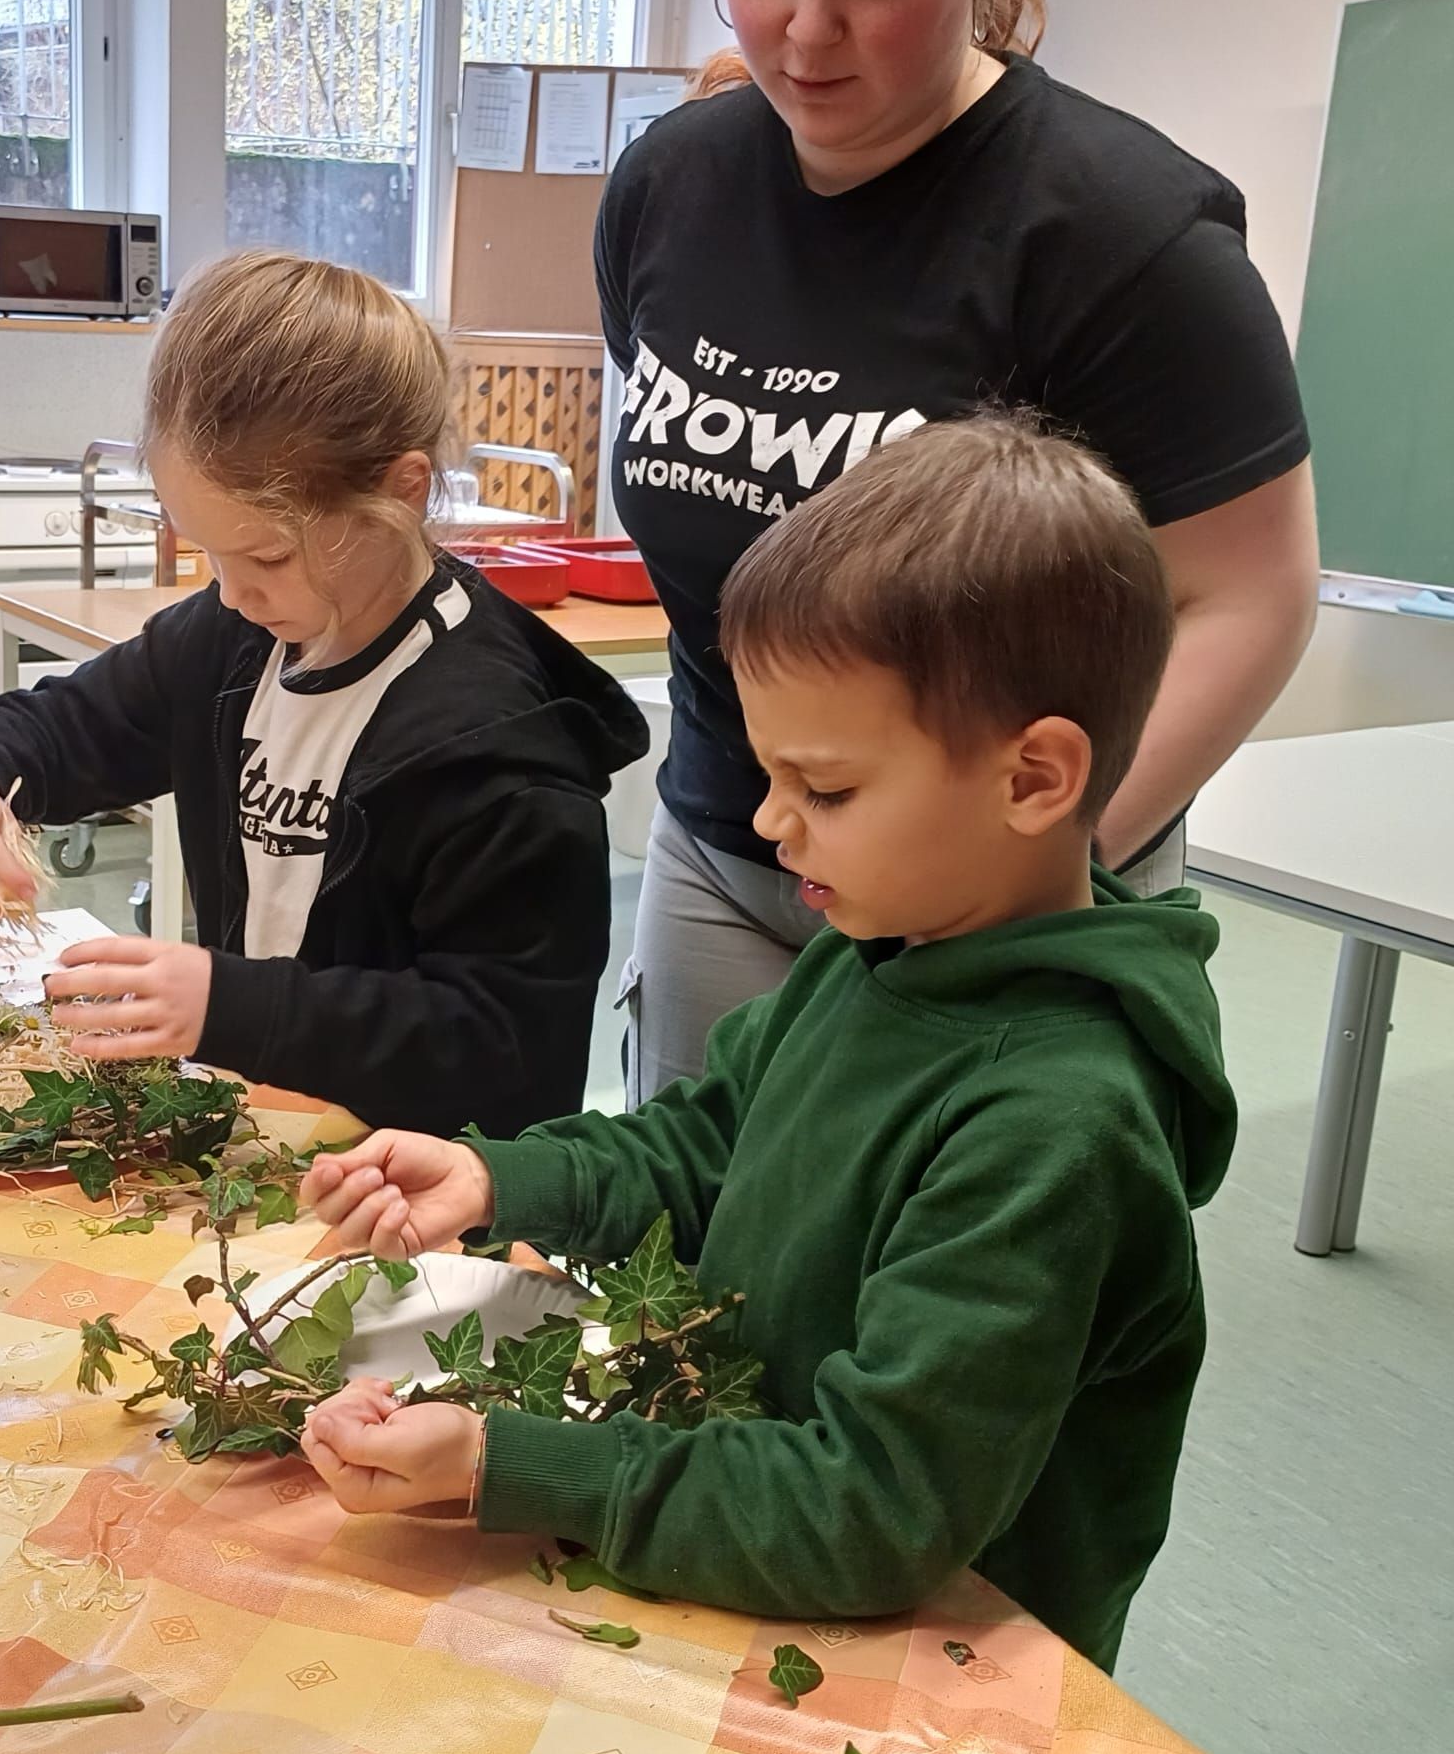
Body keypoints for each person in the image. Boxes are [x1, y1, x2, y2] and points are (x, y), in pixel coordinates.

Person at [297, 415, 1235, 1676]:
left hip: (933, 1659)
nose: (768, 819)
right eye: (767, 771)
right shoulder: (880, 949)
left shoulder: (1053, 1124)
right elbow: (707, 1144)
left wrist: (498, 1460)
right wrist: (500, 1180)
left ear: (1032, 778)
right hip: (747, 1517)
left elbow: (873, 1509)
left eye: (826, 788)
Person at [606, 0, 1315, 1105]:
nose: (808, 28)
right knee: (690, 1269)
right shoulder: (670, 186)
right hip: (729, 849)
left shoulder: (1130, 238)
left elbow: (1249, 602)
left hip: (993, 907)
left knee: (954, 1287)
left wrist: (1025, 876)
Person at [0, 249, 647, 1136]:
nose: (229, 591)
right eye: (205, 550)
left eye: (265, 556)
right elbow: (56, 728)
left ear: (402, 493)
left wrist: (234, 1007)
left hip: (410, 1190)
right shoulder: (236, 639)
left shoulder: (496, 739)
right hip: (267, 1142)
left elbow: (503, 1045)